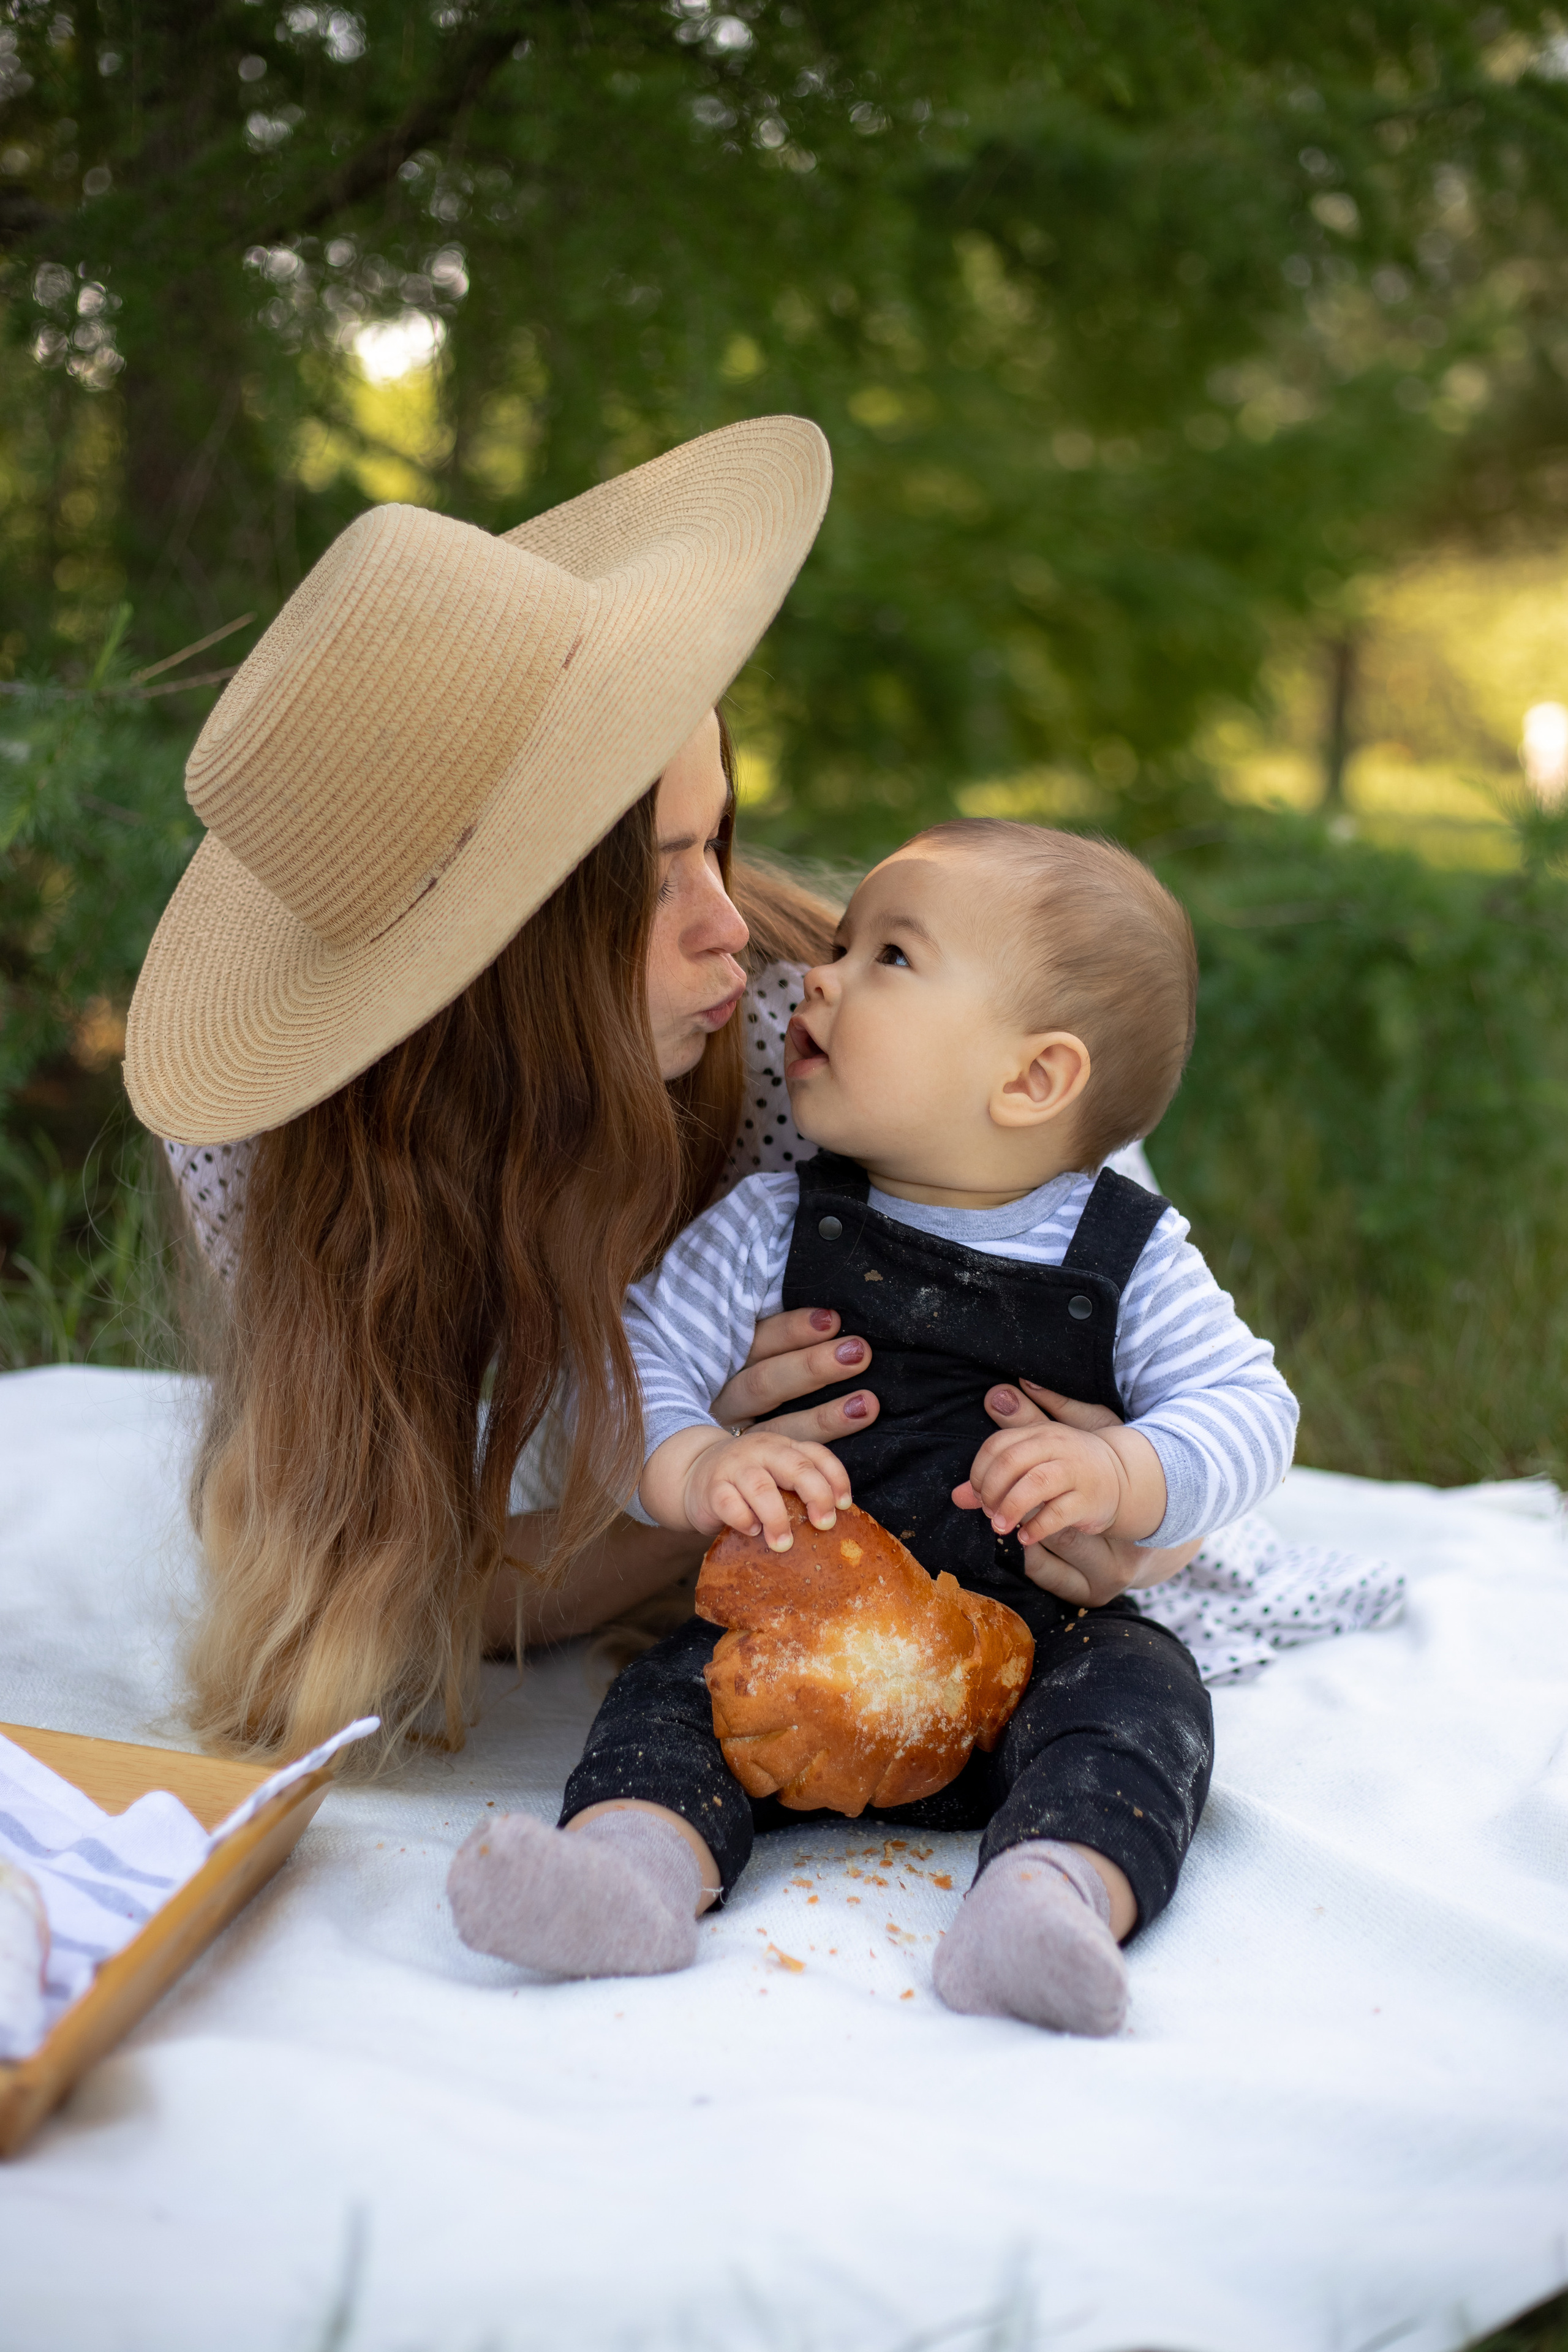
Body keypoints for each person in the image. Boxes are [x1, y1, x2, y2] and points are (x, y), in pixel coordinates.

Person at [128, 417, 1189, 1776]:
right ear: (477, 963)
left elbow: (1169, 1420)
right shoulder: (263, 1141)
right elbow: (374, 1589)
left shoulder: (803, 1060)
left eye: (720, 838)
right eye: (655, 873)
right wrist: (700, 1483)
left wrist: (1120, 1507)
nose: (728, 928)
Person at [446, 823, 1298, 2036]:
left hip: (1036, 1641)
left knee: (1142, 1705)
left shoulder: (1125, 1254)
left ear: (1032, 1080)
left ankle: (1046, 1894)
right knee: (669, 1701)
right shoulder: (765, 1224)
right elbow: (627, 1375)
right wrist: (698, 1466)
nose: (817, 976)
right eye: (837, 943)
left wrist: (1120, 1469)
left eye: (888, 956)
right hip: (805, 1632)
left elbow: (1251, 1412)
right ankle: (631, 1877)